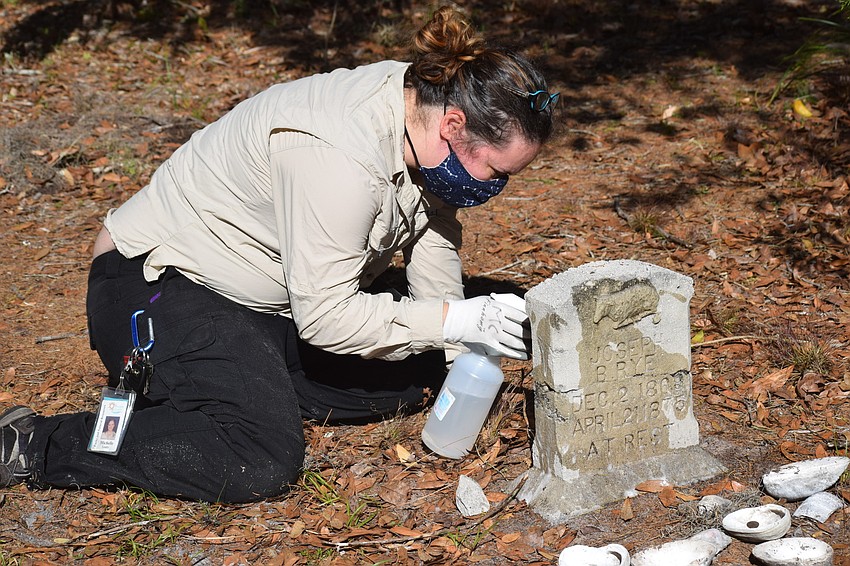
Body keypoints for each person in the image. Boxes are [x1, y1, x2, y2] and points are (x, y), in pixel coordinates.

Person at [0, 6, 556, 503]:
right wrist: (451, 319)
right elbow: (328, 317)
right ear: (455, 125)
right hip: (157, 285)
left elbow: (433, 228)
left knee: (426, 360)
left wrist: (455, 342)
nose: (495, 188)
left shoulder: (424, 112)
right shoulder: (341, 153)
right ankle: (37, 444)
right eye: (496, 172)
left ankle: (234, 380)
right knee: (256, 453)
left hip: (269, 300)